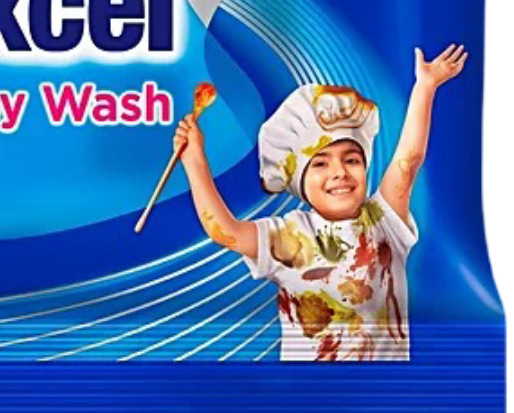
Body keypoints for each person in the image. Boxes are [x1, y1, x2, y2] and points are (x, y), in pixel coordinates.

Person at [174, 44, 467, 361]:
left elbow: (407, 163)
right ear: (299, 182)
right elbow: (225, 231)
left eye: (352, 159)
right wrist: (194, 161)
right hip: (309, 390)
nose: (339, 172)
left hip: (383, 389)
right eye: (320, 164)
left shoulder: (384, 222)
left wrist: (425, 86)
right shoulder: (289, 235)